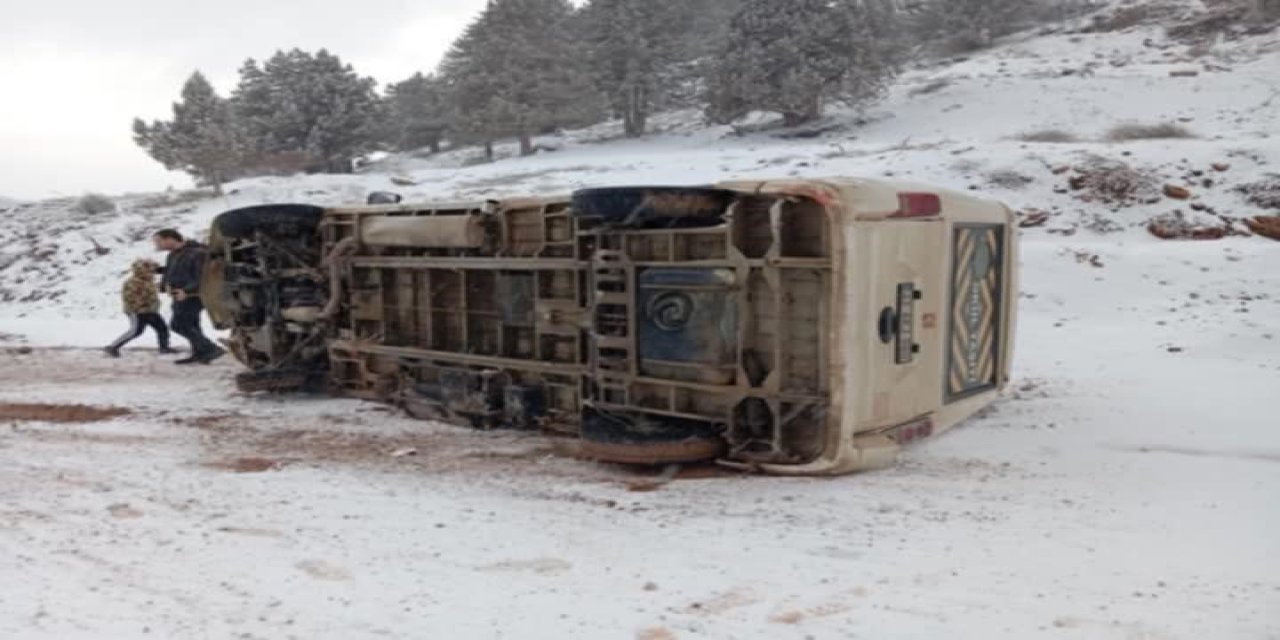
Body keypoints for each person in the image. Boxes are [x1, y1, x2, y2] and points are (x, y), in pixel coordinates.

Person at [152, 229, 226, 365]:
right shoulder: (173, 255)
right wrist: (163, 284)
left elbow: (203, 277)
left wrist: (187, 291)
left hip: (192, 295)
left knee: (178, 325)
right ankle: (200, 353)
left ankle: (211, 348)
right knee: (192, 325)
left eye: (158, 241)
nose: (156, 245)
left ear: (170, 239)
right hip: (177, 295)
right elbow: (170, 272)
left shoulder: (197, 253)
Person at [104, 259, 176, 357]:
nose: (154, 273)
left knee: (162, 328)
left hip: (150, 310)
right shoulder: (133, 282)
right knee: (135, 331)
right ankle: (113, 347)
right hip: (137, 312)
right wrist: (141, 307)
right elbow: (130, 298)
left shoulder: (147, 281)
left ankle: (164, 347)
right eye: (151, 271)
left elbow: (152, 292)